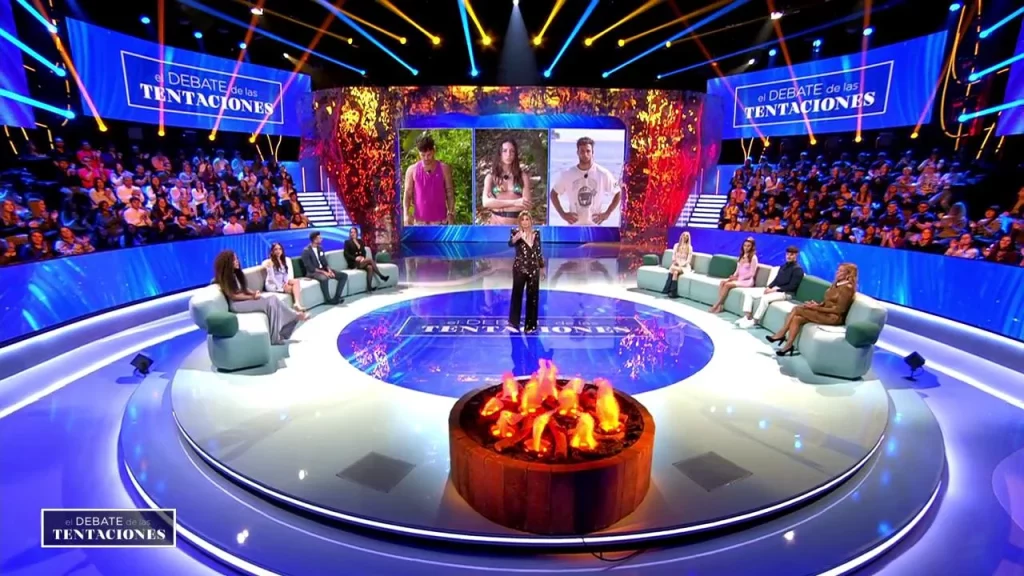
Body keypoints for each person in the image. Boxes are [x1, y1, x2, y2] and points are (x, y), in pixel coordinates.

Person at [213, 250, 308, 345]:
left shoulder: (236, 274)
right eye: (234, 260)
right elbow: (234, 296)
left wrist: (253, 293)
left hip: (243, 300)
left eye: (237, 259)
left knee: (273, 299)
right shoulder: (226, 278)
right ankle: (284, 327)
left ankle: (287, 325)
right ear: (227, 263)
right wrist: (252, 297)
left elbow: (244, 289)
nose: (237, 261)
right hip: (237, 304)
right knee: (269, 304)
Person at [767, 263, 858, 356]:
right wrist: (817, 305)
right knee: (797, 318)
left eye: (841, 271)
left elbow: (840, 310)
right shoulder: (836, 284)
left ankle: (781, 333)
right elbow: (828, 302)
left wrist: (817, 308)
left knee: (797, 309)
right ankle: (788, 345)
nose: (837, 272)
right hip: (825, 313)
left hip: (833, 317)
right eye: (838, 270)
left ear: (848, 274)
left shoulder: (847, 288)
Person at [550, 136, 621, 226]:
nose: (585, 154)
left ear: (592, 152)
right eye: (582, 151)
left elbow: (618, 192)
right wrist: (563, 214)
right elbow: (553, 194)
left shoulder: (603, 173)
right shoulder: (567, 174)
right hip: (574, 226)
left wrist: (607, 213)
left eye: (588, 151)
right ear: (577, 152)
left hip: (595, 226)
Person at [737, 245, 804, 328]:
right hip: (775, 289)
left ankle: (755, 321)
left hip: (786, 293)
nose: (789, 256)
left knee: (765, 299)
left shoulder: (798, 270)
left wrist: (775, 290)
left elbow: (792, 286)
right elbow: (776, 280)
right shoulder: (783, 266)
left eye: (791, 255)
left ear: (796, 255)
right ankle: (747, 317)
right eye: (787, 254)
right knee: (749, 293)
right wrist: (769, 287)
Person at [403, 134, 454, 225]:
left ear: (433, 151)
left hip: (441, 221)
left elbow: (449, 192)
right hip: (419, 222)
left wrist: (451, 213)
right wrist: (406, 214)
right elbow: (407, 193)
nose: (426, 158)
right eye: (423, 155)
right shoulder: (412, 170)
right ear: (419, 153)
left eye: (429, 154)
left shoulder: (444, 168)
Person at [481, 138, 533, 225]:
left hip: (517, 225)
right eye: (505, 151)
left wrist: (496, 204)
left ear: (515, 154)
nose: (508, 154)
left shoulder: (522, 177)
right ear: (499, 154)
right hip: (496, 225)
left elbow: (527, 205)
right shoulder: (490, 178)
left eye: (512, 151)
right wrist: (516, 202)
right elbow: (486, 202)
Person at [508, 211, 544, 333]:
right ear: (519, 221)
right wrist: (516, 238)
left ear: (530, 221)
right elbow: (510, 243)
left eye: (527, 219)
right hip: (520, 268)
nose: (524, 222)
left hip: (533, 268)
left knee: (533, 296)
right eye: (522, 219)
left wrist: (542, 267)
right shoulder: (515, 232)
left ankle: (531, 324)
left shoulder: (536, 234)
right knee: (517, 294)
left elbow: (538, 251)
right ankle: (514, 322)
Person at [709, 237, 758, 314]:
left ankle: (716, 305)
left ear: (752, 247)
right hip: (738, 279)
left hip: (747, 281)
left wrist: (738, 278)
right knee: (722, 282)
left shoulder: (753, 258)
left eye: (748, 246)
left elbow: (752, 273)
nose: (746, 248)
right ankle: (720, 306)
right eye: (745, 245)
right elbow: (738, 270)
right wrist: (733, 277)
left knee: (727, 285)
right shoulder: (741, 256)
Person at [301, 231, 347, 304]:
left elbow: (324, 262)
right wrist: (324, 272)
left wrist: (329, 270)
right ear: (315, 240)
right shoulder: (306, 251)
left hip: (323, 270)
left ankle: (337, 297)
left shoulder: (320, 248)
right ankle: (328, 300)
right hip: (312, 272)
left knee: (344, 275)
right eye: (319, 238)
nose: (321, 239)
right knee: (324, 278)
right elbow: (310, 267)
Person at [343, 226, 389, 291]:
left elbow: (364, 252)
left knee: (370, 267)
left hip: (362, 261)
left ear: (356, 233)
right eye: (351, 232)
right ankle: (381, 276)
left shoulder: (360, 241)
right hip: (353, 263)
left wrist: (362, 257)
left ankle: (369, 287)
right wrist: (355, 258)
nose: (352, 234)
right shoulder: (347, 242)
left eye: (354, 232)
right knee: (370, 260)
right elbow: (346, 254)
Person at [263, 242, 305, 311]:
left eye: (280, 249)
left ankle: (297, 304)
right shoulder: (270, 262)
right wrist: (281, 286)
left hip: (281, 281)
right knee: (294, 289)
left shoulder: (282, 260)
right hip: (273, 284)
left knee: (296, 281)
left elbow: (285, 274)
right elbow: (271, 278)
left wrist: (286, 282)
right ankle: (296, 306)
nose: (278, 251)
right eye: (276, 249)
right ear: (272, 251)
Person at [664, 231, 693, 298]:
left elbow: (688, 260)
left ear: (688, 238)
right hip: (676, 265)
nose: (685, 237)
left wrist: (681, 265)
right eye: (684, 235)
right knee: (675, 273)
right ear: (681, 236)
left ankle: (667, 289)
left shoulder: (689, 247)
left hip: (684, 267)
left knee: (672, 269)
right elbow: (673, 256)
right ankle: (673, 292)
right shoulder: (676, 245)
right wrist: (676, 262)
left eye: (686, 236)